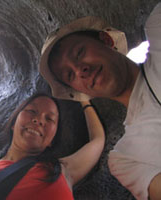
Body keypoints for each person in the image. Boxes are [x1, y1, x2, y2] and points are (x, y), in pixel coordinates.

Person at [39, 3, 161, 200]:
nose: (80, 70)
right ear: (79, 91)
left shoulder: (157, 28)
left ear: (106, 40)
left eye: (79, 53)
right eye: (70, 75)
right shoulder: (126, 157)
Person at [0, 93, 105, 200]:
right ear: (13, 123)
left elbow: (98, 140)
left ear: (51, 140)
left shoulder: (64, 170)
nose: (39, 120)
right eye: (31, 111)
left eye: (49, 119)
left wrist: (83, 99)